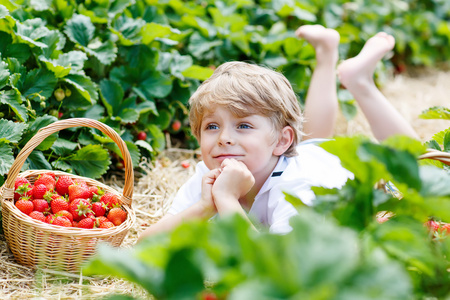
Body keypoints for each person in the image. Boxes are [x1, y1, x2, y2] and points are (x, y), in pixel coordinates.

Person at [138, 26, 417, 241]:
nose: (223, 137)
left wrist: (226, 200)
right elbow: (144, 248)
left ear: (283, 142)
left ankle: (360, 82)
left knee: (422, 168)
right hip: (306, 154)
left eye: (243, 125)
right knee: (313, 139)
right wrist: (205, 206)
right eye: (212, 126)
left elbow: (278, 271)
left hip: (359, 175)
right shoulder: (207, 177)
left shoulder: (297, 188)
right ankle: (326, 54)